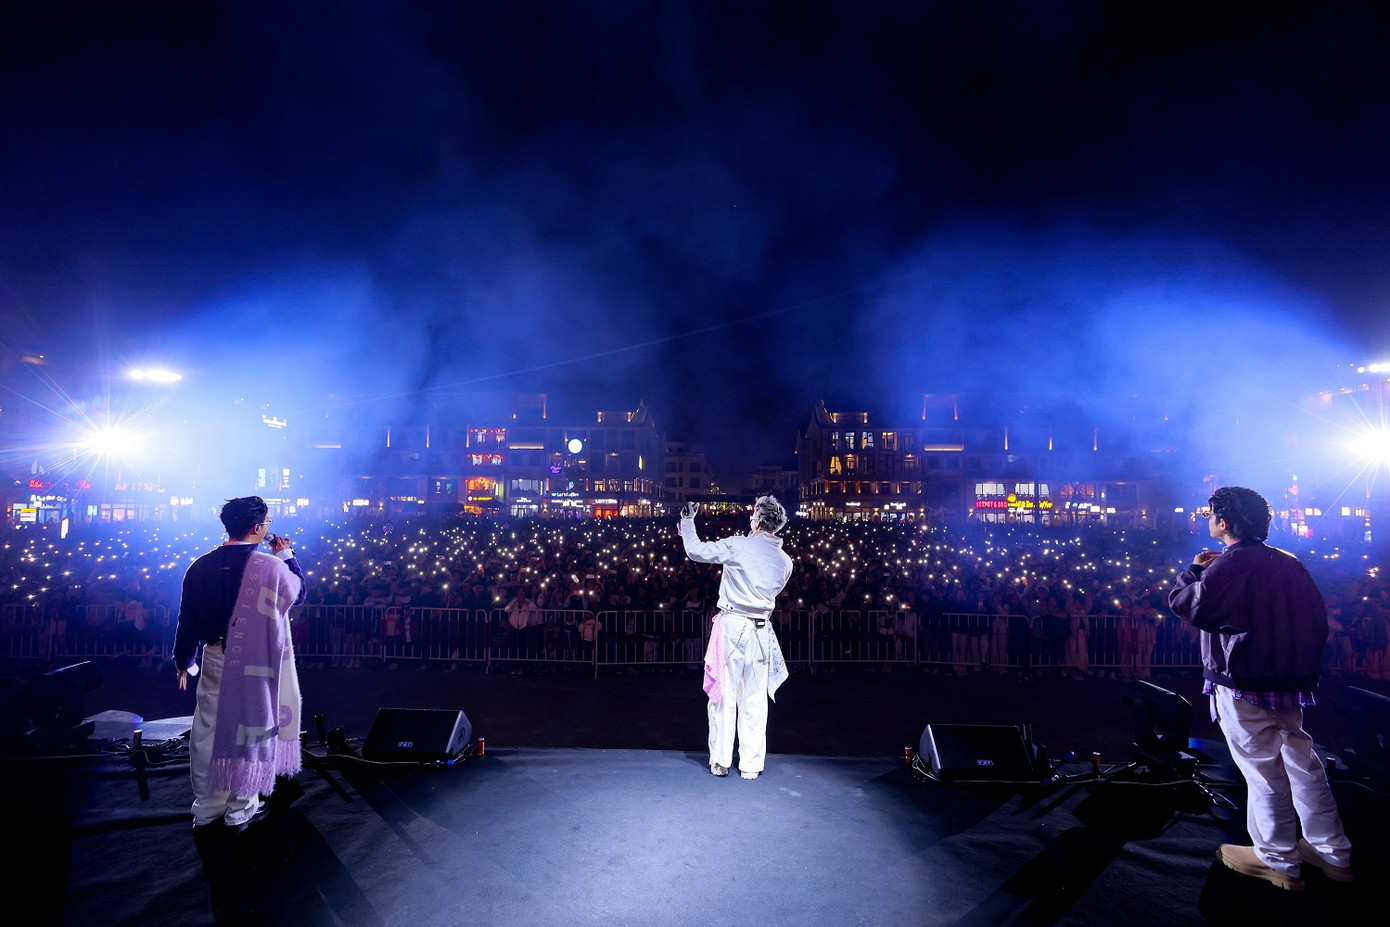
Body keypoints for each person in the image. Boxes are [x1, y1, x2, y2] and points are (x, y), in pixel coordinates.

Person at [1169, 486, 1353, 890]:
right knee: (1303, 766)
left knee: (1263, 771)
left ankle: (1278, 859)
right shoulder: (1289, 562)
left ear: (1224, 521)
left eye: (1210, 513)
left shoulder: (1230, 564)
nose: (1208, 519)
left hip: (1243, 682)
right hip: (1289, 684)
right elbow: (1317, 624)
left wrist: (1194, 571)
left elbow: (1188, 605)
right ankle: (1332, 853)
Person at [172, 496, 307, 830]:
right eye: (267, 522)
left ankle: (207, 809)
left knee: (207, 730)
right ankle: (241, 809)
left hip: (215, 654)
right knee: (251, 729)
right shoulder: (269, 565)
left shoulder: (199, 566)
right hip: (254, 658)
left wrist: (184, 660)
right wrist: (287, 556)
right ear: (257, 527)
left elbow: (187, 619)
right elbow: (298, 593)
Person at [679, 496, 794, 780]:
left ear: (758, 521)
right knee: (755, 700)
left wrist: (688, 522)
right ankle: (751, 765)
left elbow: (695, 551)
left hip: (733, 626)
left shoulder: (739, 545)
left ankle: (720, 761)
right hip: (761, 631)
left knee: (724, 694)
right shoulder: (785, 561)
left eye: (753, 515)